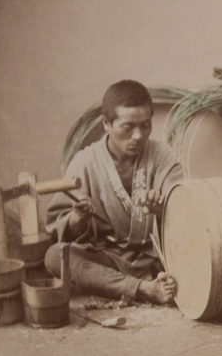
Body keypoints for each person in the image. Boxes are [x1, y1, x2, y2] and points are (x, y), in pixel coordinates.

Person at [45, 80, 183, 304]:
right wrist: (77, 218)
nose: (138, 135)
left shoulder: (164, 156)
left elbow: (184, 211)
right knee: (55, 256)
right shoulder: (85, 162)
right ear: (106, 124)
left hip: (159, 258)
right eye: (128, 127)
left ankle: (140, 284)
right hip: (110, 261)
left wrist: (162, 209)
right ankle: (143, 289)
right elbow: (59, 230)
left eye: (145, 125)